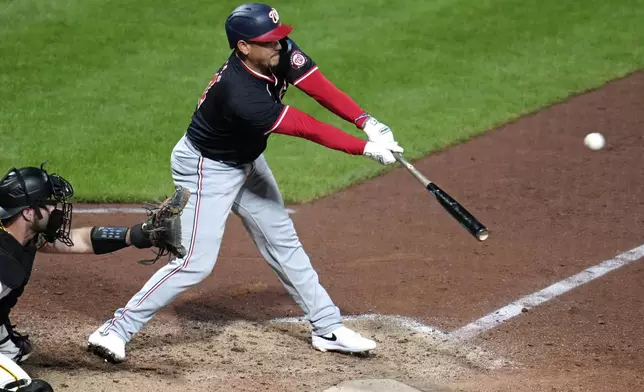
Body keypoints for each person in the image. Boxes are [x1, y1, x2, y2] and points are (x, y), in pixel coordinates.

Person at [87, 2, 404, 363]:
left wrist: (366, 121)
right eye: (268, 42)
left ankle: (327, 327)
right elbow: (306, 127)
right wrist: (365, 149)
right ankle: (115, 329)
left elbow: (318, 87)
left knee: (282, 240)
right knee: (194, 262)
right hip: (207, 168)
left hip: (247, 161)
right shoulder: (240, 93)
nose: (279, 46)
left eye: (279, 38)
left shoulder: (274, 53)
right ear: (243, 47)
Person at [0, 164, 187, 390]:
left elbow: (79, 239)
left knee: (12, 352)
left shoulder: (20, 234)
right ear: (28, 212)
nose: (56, 209)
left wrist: (135, 235)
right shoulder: (4, 260)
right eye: (48, 204)